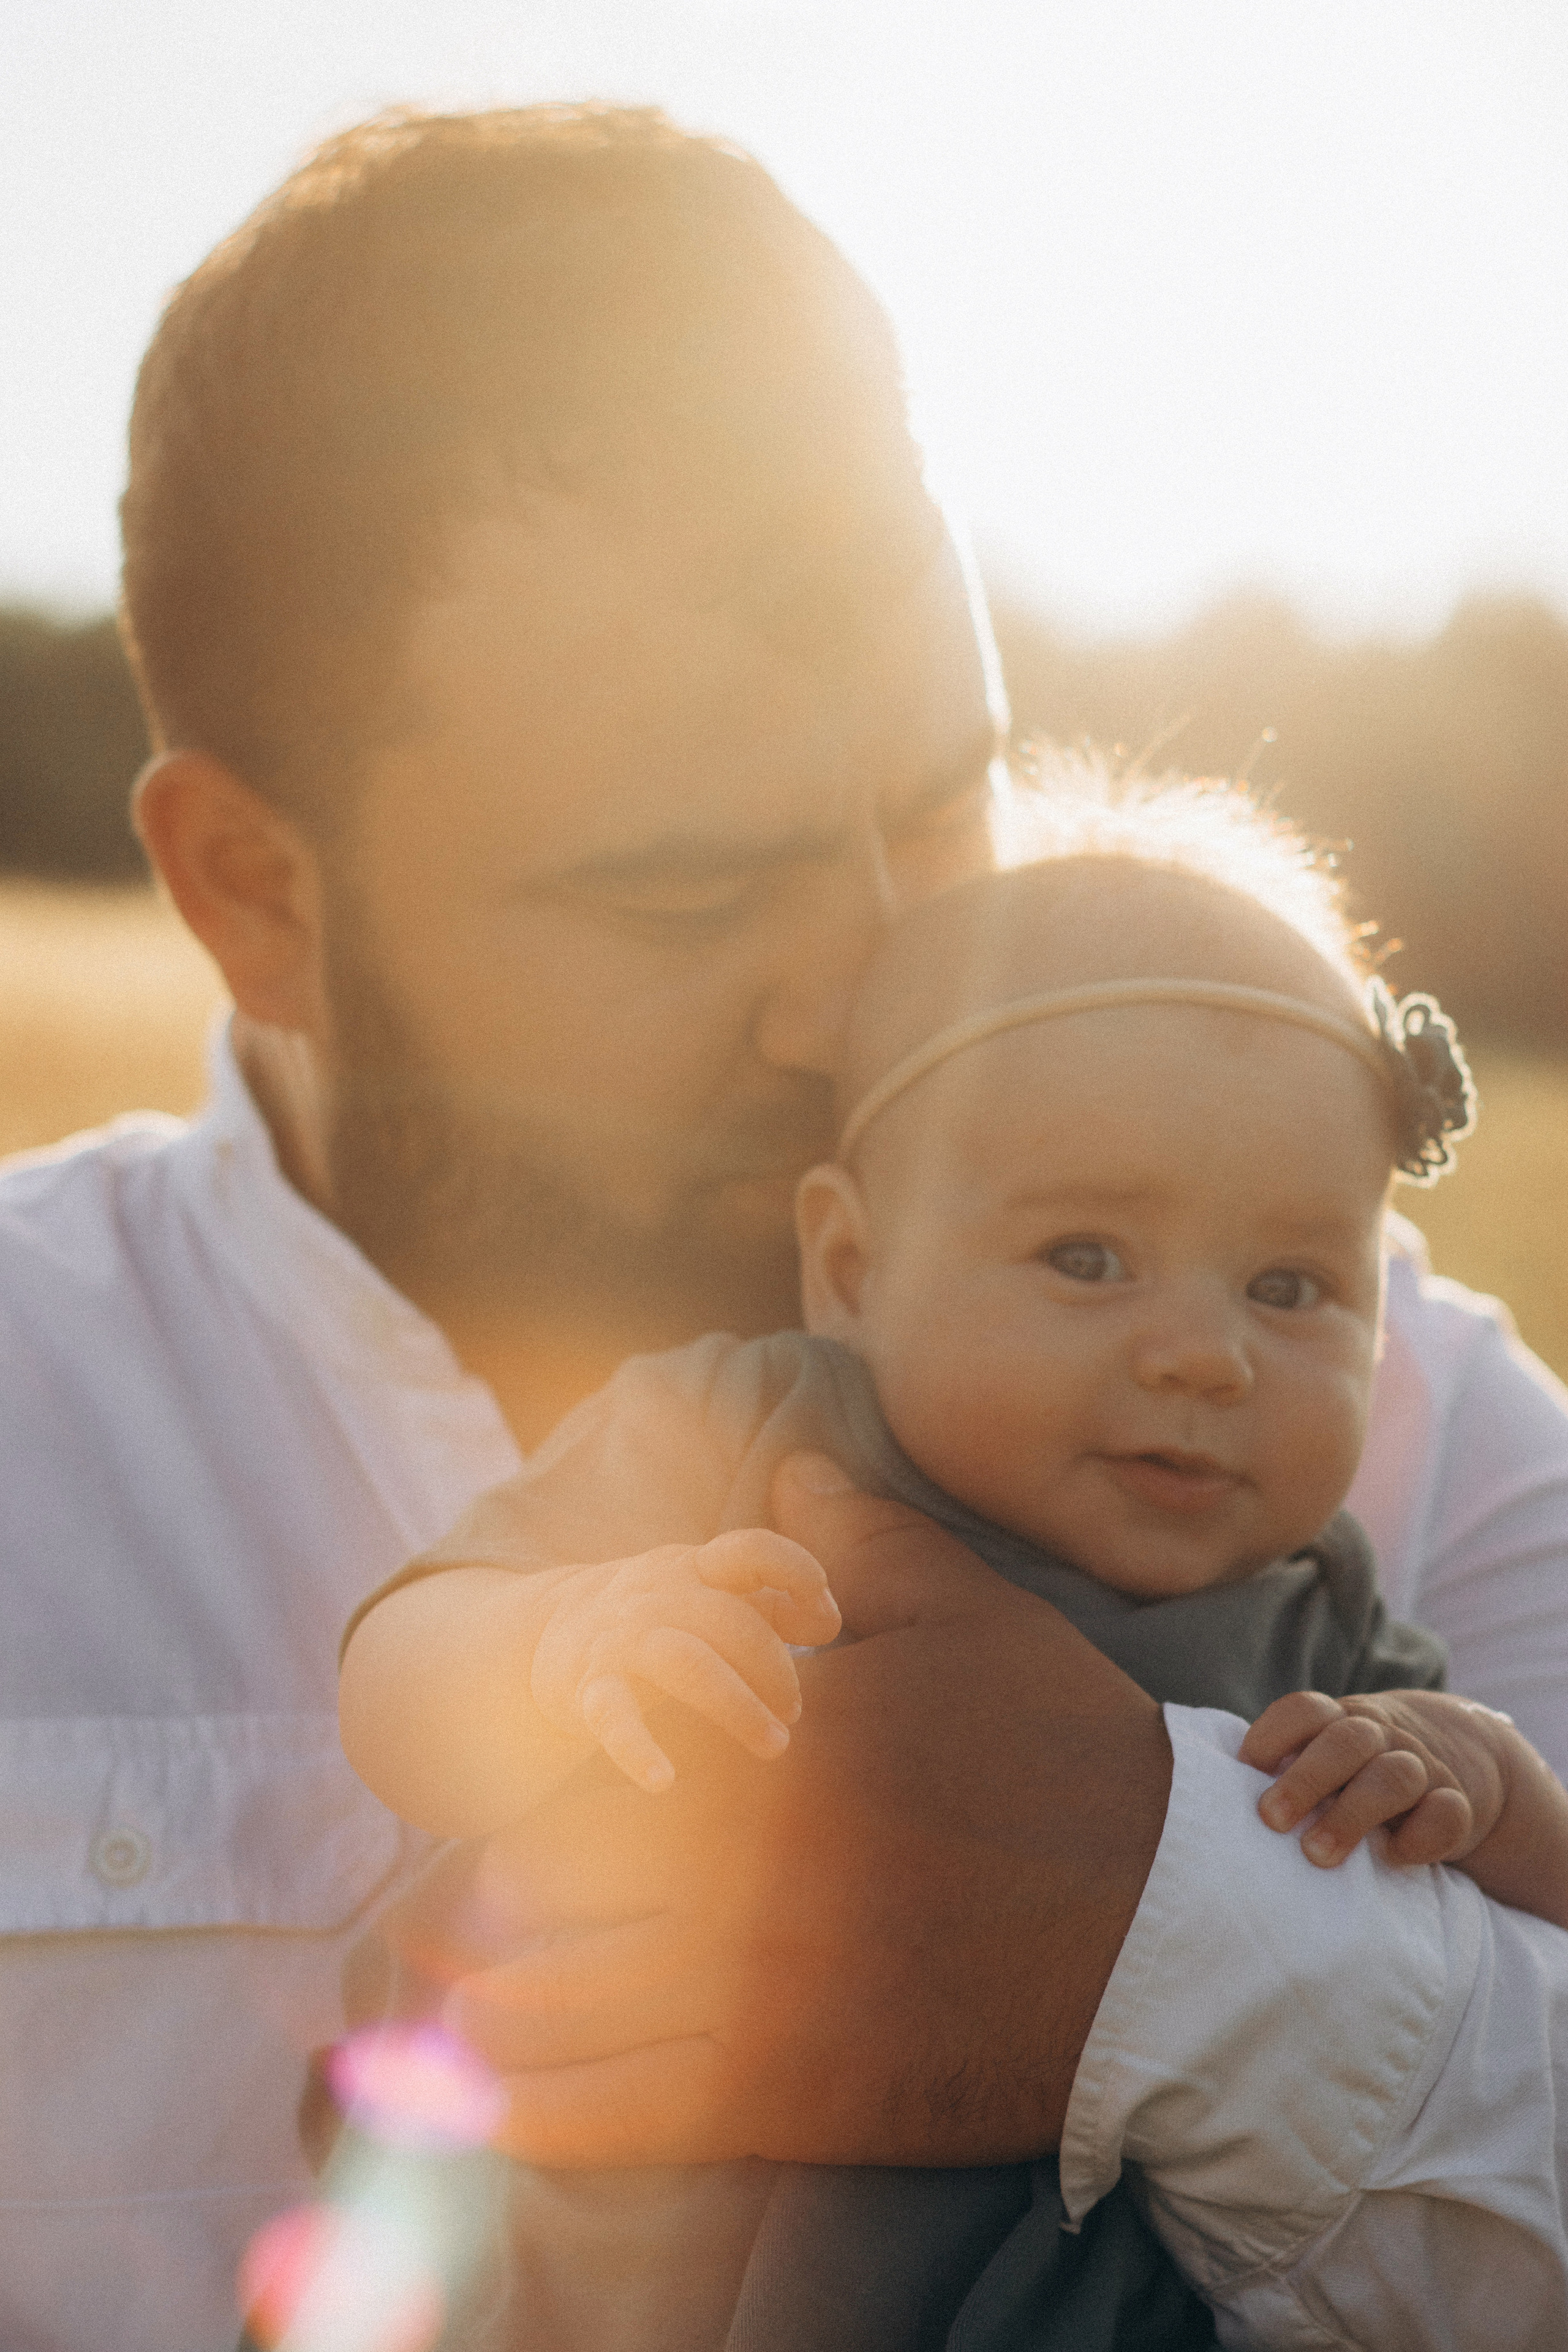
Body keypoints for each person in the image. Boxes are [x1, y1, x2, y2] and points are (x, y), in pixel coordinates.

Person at [2, 100, 1568, 2352]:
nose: (865, 988)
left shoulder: (1391, 1411)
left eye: (946, 798)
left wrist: (1177, 1932)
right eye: (683, 888)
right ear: (254, 892)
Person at [336, 812, 1568, 2345]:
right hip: (580, 2284)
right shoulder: (736, 1435)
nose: (1202, 1351)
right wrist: (552, 1638)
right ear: (850, 1267)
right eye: (1086, 1258)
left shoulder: (1320, 1627)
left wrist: (1488, 1785)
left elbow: (1532, 1941)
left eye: (1289, 1286)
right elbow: (391, 1680)